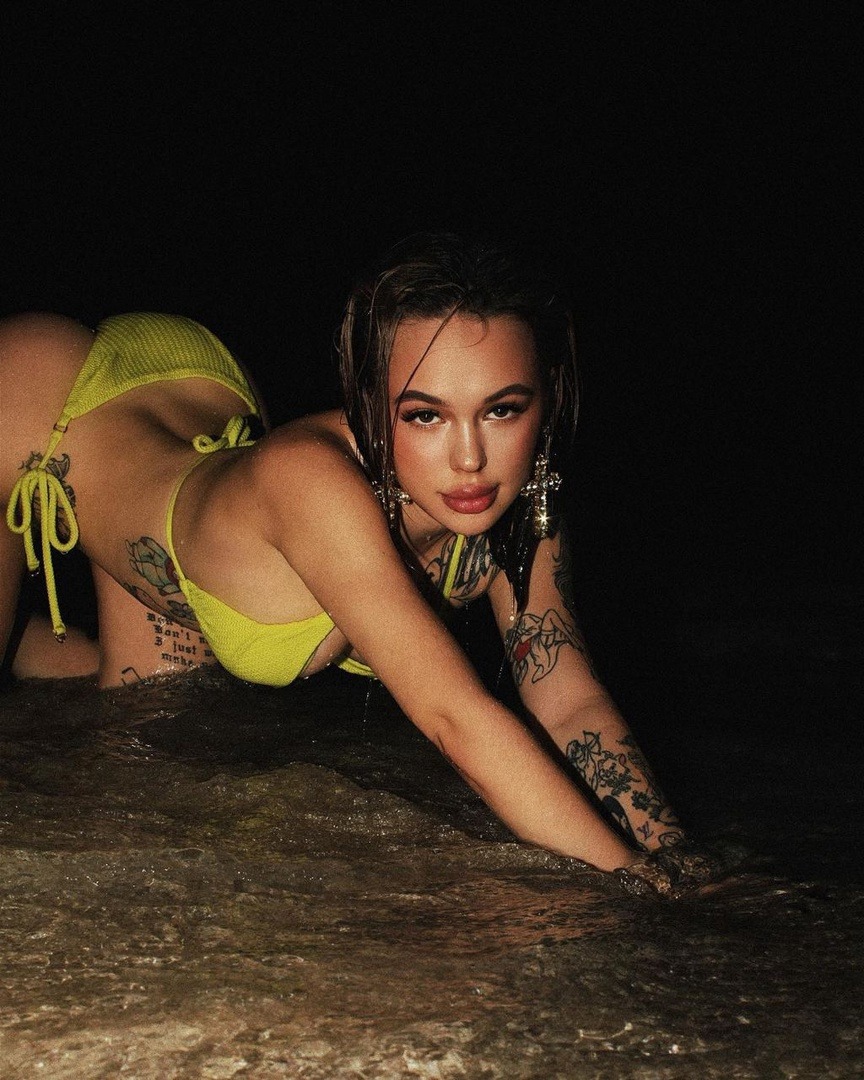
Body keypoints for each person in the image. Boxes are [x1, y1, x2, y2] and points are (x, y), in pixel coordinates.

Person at [0, 233, 718, 895]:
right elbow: (455, 717)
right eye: (425, 415)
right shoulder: (312, 484)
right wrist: (636, 882)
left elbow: (566, 696)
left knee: (140, 719)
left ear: (547, 402)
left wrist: (681, 857)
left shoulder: (527, 500)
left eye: (501, 410)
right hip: (35, 399)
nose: (471, 459)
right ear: (371, 406)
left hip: (197, 392)